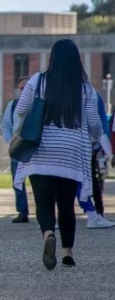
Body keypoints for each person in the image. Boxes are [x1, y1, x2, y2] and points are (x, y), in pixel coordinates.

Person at [13, 39, 102, 270]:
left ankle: (48, 235)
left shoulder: (38, 80)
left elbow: (21, 109)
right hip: (71, 154)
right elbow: (94, 124)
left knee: (43, 203)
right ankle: (67, 254)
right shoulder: (85, 89)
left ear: (52, 58)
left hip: (41, 150)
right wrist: (95, 137)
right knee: (66, 204)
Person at [77, 92, 115, 229]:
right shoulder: (90, 93)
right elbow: (100, 126)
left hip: (62, 147)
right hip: (85, 147)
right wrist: (110, 154)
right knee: (84, 182)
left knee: (68, 184)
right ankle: (93, 214)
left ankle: (50, 220)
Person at [2, 76, 31, 223]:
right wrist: (10, 142)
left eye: (27, 88)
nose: (24, 91)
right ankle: (22, 211)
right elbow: (6, 126)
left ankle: (44, 211)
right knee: (17, 181)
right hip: (18, 146)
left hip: (35, 148)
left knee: (40, 181)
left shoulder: (39, 104)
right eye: (21, 88)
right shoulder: (13, 105)